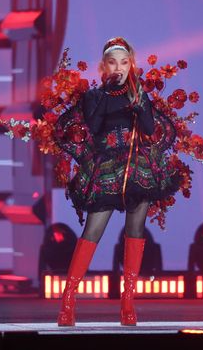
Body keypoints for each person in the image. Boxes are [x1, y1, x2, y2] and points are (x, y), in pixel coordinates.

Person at [56, 37, 181, 326]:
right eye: (113, 62)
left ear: (131, 64)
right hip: (107, 168)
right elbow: (94, 126)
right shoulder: (95, 96)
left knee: (135, 229)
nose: (119, 67)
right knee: (94, 229)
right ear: (104, 66)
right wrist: (108, 93)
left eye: (124, 62)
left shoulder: (138, 94)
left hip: (138, 168)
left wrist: (138, 106)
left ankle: (128, 303)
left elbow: (149, 129)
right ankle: (68, 300)